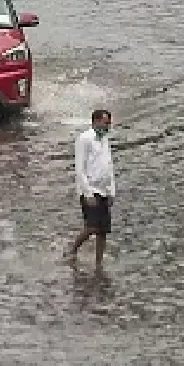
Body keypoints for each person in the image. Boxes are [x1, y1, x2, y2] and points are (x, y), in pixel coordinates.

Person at [66, 109, 115, 269]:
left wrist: (111, 191)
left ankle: (98, 263)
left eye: (109, 123)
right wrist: (87, 193)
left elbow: (109, 165)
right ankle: (73, 249)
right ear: (95, 121)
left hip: (104, 189)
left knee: (103, 231)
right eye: (105, 122)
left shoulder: (105, 139)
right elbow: (80, 169)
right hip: (90, 189)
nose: (108, 126)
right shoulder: (84, 139)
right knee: (92, 226)